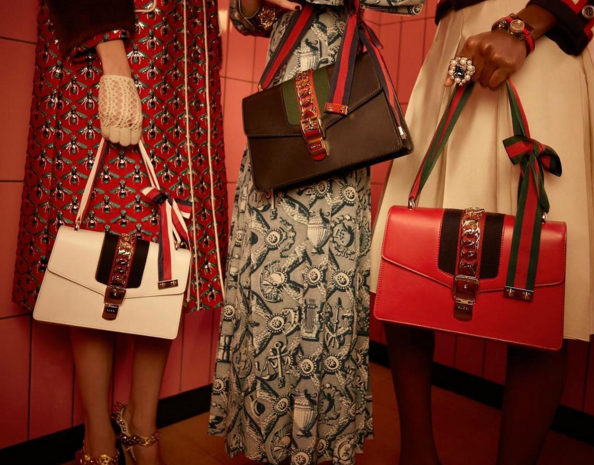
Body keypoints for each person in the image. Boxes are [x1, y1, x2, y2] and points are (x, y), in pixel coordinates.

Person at [369, 0, 594, 464]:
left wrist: (523, 27)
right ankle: (417, 456)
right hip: (454, 38)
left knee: (545, 288)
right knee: (409, 254)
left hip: (543, 34)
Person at [207, 0, 424, 464]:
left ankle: (319, 446)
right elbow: (248, 18)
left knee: (327, 292)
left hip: (339, 124)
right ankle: (267, 442)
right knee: (266, 291)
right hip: (280, 121)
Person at [12, 1, 228, 464]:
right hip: (121, 38)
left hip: (180, 54)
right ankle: (99, 438)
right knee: (95, 239)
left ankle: (141, 424)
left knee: (167, 239)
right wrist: (111, 57)